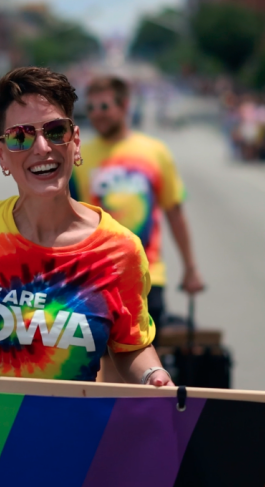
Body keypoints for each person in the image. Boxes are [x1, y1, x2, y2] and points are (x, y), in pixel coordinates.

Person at [0, 67, 173, 386]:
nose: (42, 148)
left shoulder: (120, 250)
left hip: (72, 431)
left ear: (75, 142)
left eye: (55, 131)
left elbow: (130, 345)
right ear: (1, 153)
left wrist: (152, 374)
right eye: (20, 136)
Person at [71, 76, 204, 330]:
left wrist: (190, 268)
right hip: (96, 280)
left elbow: (174, 213)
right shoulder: (78, 156)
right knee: (99, 364)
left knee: (145, 360)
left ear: (124, 106)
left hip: (148, 275)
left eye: (105, 106)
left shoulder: (155, 151)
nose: (97, 114)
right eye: (91, 108)